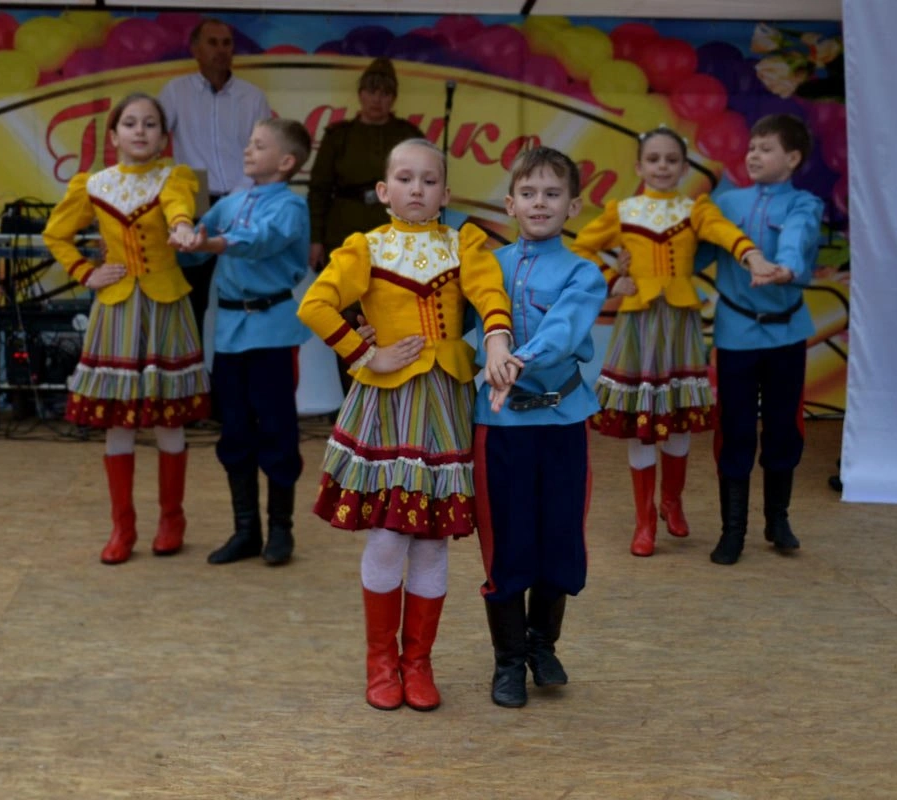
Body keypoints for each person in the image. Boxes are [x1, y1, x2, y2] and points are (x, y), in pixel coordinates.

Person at [297, 138, 515, 712]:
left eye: (429, 180)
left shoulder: (464, 243)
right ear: (383, 190)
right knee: (390, 533)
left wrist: (497, 338)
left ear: (445, 193)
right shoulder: (365, 247)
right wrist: (366, 354)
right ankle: (381, 663)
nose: (417, 189)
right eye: (405, 178)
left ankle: (418, 662)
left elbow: (490, 293)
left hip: (444, 402)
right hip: (387, 406)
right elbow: (315, 304)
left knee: (433, 539)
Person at [571, 126, 778, 558]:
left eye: (671, 160)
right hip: (639, 326)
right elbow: (582, 248)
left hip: (680, 326)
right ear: (639, 166)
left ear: (684, 168)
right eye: (654, 159)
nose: (662, 167)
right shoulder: (623, 210)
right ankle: (644, 519)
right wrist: (612, 278)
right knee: (643, 421)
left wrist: (752, 255)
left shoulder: (694, 209)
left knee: (678, 418)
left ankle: (672, 501)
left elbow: (724, 232)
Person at [42, 93, 210, 565]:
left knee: (168, 417)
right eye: (131, 123)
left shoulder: (174, 177)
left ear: (163, 136)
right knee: (118, 420)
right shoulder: (94, 184)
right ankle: (123, 527)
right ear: (114, 135)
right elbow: (56, 233)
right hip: (116, 310)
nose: (140, 130)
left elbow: (179, 208)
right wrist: (86, 272)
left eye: (150, 123)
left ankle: (171, 519)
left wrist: (182, 227)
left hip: (165, 306)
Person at [473, 146, 608, 709]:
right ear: (510, 204)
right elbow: (449, 321)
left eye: (553, 194)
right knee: (506, 541)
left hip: (562, 422)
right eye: (528, 193)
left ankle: (541, 645)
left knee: (560, 536)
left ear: (573, 206)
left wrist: (513, 361)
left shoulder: (584, 273)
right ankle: (507, 662)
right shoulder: (486, 268)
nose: (540, 203)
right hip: (499, 425)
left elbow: (564, 329)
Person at [170, 118, 313, 568]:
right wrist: (184, 237)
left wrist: (211, 243)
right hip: (229, 334)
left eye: (259, 145)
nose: (248, 150)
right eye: (249, 143)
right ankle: (246, 529)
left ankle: (281, 528)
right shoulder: (231, 202)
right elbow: (196, 243)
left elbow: (259, 242)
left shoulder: (291, 207)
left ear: (286, 161)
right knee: (234, 427)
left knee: (277, 426)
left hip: (272, 332)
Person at [705, 114, 824, 566]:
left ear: (792, 158)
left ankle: (778, 518)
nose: (754, 155)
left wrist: (786, 267)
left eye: (766, 148)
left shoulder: (804, 204)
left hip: (786, 334)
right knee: (735, 428)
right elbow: (693, 250)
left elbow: (797, 237)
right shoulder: (725, 202)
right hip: (736, 334)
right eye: (752, 147)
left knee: (782, 426)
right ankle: (732, 530)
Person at [306, 57, 424, 396]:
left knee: (394, 311)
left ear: (394, 97)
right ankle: (352, 398)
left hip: (397, 235)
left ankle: (394, 393)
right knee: (346, 316)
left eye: (385, 93)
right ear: (360, 94)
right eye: (371, 91)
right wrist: (316, 239)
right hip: (344, 232)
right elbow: (319, 190)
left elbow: (425, 187)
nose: (377, 99)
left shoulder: (407, 136)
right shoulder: (339, 136)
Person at [159, 18, 273, 363]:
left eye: (226, 43)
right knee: (192, 298)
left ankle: (237, 387)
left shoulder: (252, 97)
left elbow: (265, 153)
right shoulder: (175, 92)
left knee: (244, 298)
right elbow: (152, 142)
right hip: (196, 204)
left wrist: (239, 195)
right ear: (195, 49)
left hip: (244, 201)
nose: (221, 50)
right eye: (212, 43)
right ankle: (190, 381)